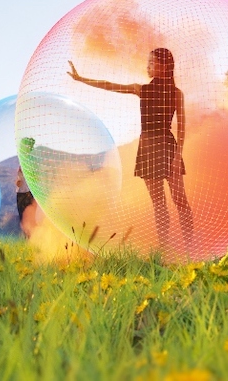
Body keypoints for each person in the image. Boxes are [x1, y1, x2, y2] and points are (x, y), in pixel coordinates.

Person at [68, 48, 194, 252]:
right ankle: (164, 251)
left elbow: (182, 126)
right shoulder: (141, 89)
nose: (148, 66)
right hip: (148, 148)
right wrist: (81, 79)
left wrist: (178, 156)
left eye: (152, 63)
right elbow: (110, 86)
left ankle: (190, 247)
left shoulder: (176, 94)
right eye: (148, 62)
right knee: (159, 205)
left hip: (168, 147)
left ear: (163, 66)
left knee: (180, 200)